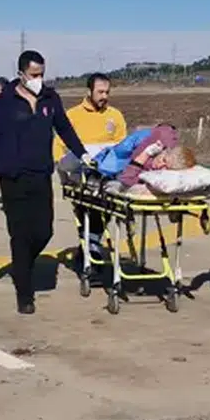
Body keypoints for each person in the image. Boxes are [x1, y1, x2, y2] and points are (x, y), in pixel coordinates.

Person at [0, 50, 90, 315]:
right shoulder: (3, 102)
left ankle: (22, 264)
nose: (38, 79)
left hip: (41, 174)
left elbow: (64, 128)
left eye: (42, 74)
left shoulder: (50, 98)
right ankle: (24, 294)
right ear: (21, 74)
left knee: (43, 231)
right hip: (13, 177)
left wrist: (82, 153)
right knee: (20, 234)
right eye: (34, 74)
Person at [53, 72, 128, 281]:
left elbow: (122, 148)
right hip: (80, 172)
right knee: (89, 208)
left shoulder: (115, 116)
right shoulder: (73, 115)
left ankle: (88, 250)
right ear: (89, 91)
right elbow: (59, 145)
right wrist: (62, 172)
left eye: (107, 92)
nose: (104, 96)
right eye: (100, 92)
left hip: (107, 172)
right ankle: (91, 252)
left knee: (107, 205)